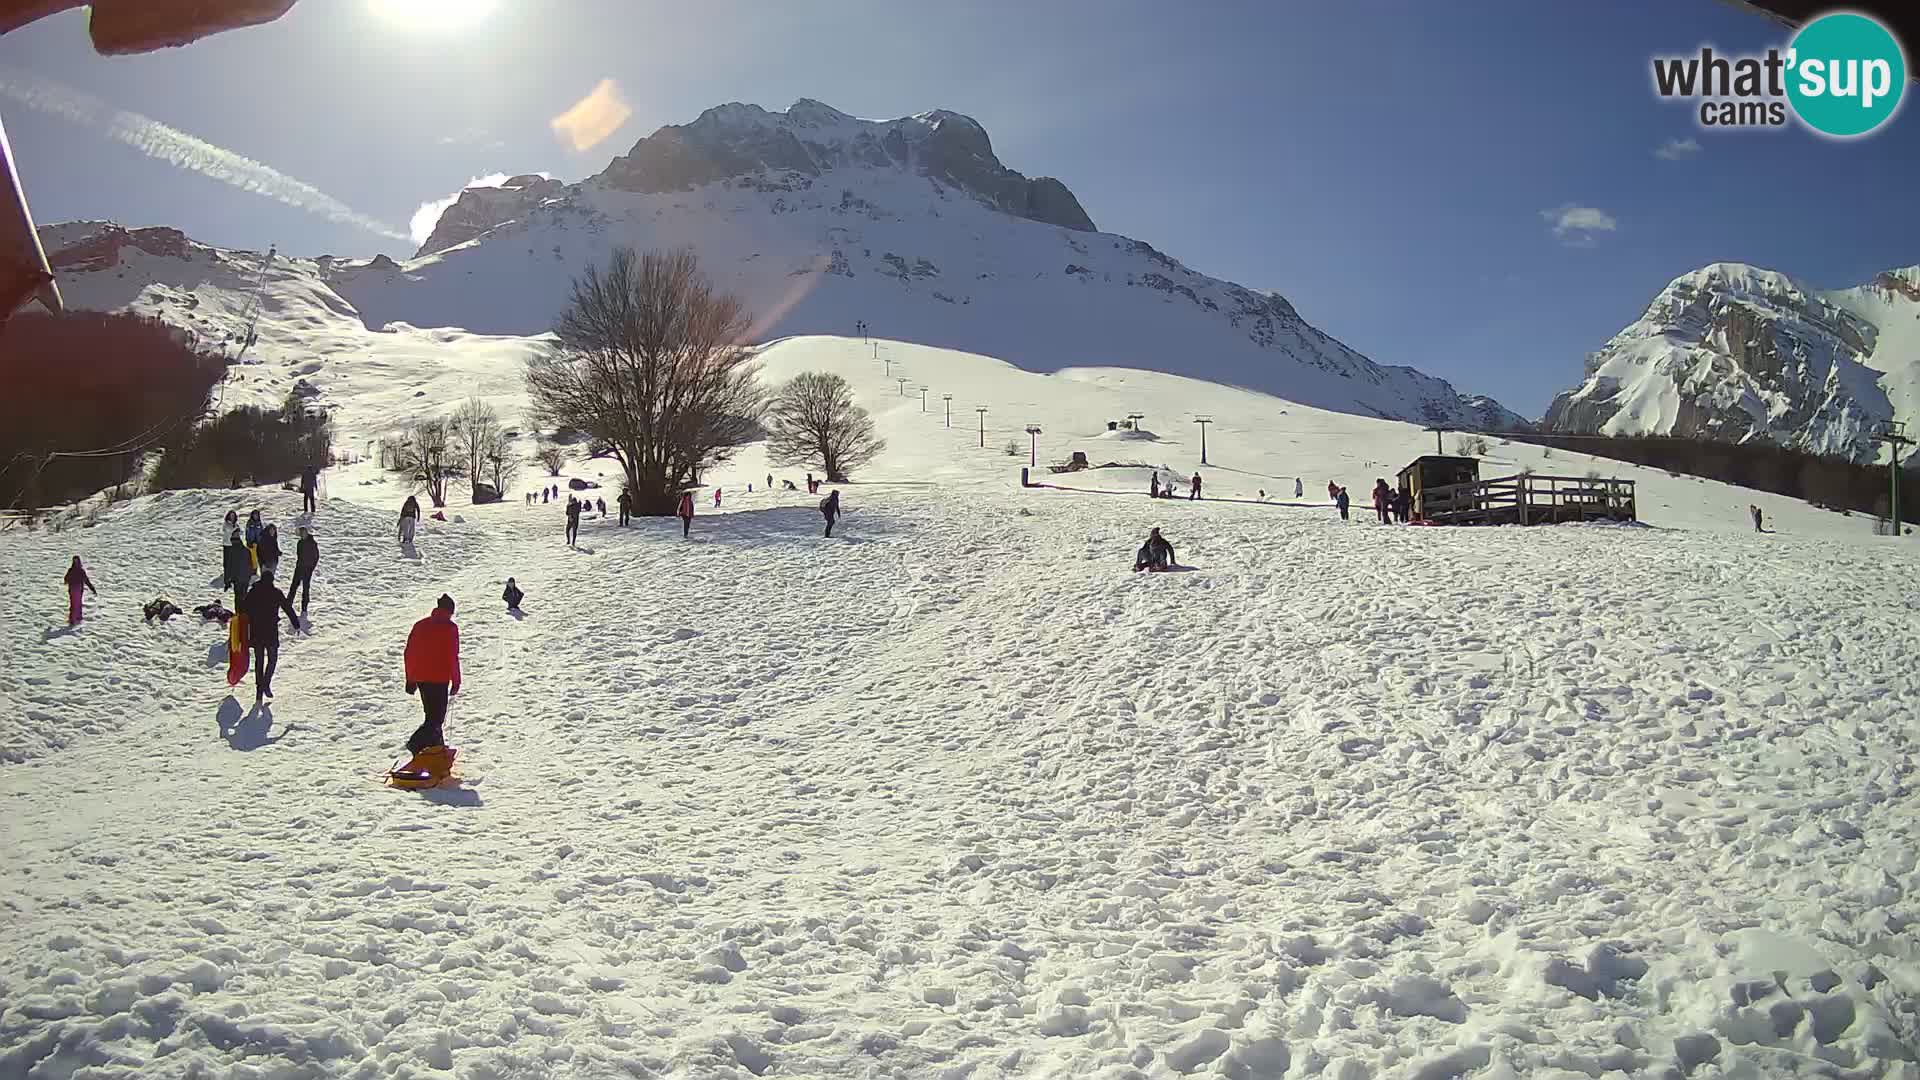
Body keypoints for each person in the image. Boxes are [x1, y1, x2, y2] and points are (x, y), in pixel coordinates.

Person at [403, 594, 461, 753]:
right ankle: (415, 743)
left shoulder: (420, 625)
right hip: (439, 679)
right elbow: (452, 656)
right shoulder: (450, 628)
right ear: (449, 611)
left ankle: (437, 747)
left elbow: (409, 653)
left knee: (431, 715)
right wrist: (456, 682)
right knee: (436, 719)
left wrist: (410, 679)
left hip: (421, 678)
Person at [242, 570, 299, 702]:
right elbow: (287, 608)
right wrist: (296, 623)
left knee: (259, 661)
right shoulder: (275, 593)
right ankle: (266, 683)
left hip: (256, 632)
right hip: (271, 632)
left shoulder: (253, 592)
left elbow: (243, 609)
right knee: (272, 660)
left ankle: (259, 689)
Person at [289, 524, 319, 620]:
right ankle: (288, 603)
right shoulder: (299, 543)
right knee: (293, 586)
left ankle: (304, 607)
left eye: (304, 533)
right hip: (299, 568)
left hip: (307, 569)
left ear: (307, 533)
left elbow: (316, 556)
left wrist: (311, 567)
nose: (302, 535)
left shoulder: (312, 543)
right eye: (301, 533)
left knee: (306, 589)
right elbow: (299, 555)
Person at [224, 528, 255, 610]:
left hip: (238, 579)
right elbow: (251, 564)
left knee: (238, 598)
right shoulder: (244, 550)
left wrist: (227, 580)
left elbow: (228, 567)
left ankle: (239, 614)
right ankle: (242, 613)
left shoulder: (233, 550)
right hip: (243, 578)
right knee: (243, 597)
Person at [64, 556, 97, 625]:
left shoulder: (80, 571)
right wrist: (67, 581)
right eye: (74, 561)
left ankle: (77, 618)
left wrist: (92, 588)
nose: (75, 563)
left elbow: (86, 580)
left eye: (76, 561)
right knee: (75, 604)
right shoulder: (72, 570)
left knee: (77, 603)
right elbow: (66, 578)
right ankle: (73, 619)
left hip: (77, 588)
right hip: (74, 588)